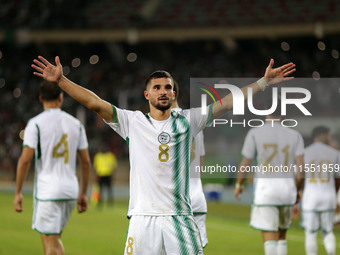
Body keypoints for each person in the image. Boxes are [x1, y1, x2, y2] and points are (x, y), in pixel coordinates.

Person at [31, 55, 295, 254]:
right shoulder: (132, 122)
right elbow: (94, 103)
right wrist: (62, 81)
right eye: (157, 87)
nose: (163, 91)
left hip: (178, 217)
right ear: (147, 94)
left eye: (168, 87)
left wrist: (263, 83)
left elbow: (226, 103)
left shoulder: (189, 120)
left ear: (174, 93)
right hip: (142, 218)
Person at [14, 81, 91, 255]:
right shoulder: (76, 124)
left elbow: (25, 159)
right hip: (70, 190)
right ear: (61, 97)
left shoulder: (35, 123)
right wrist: (84, 193)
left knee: (50, 246)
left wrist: (18, 191)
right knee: (55, 241)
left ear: (41, 98)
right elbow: (85, 162)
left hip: (48, 191)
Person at [234, 104, 304, 255]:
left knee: (269, 235)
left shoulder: (255, 132)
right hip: (287, 191)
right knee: (281, 235)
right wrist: (298, 189)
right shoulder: (295, 135)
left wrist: (239, 184)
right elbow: (301, 169)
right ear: (283, 114)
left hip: (266, 191)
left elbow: (245, 163)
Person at [171, 81, 208, 248]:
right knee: (195, 249)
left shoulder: (161, 124)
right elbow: (199, 163)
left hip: (174, 199)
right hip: (197, 195)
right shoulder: (195, 122)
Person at [301, 126, 340, 255]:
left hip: (310, 196)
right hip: (328, 196)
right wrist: (334, 193)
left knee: (310, 232)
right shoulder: (335, 154)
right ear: (321, 135)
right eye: (328, 135)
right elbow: (338, 178)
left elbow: (300, 175)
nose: (329, 138)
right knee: (327, 231)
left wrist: (298, 191)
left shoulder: (304, 152)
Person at [93, 143, 117, 208]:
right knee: (100, 190)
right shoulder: (98, 156)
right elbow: (95, 167)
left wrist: (113, 174)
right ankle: (99, 203)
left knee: (109, 190)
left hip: (108, 175)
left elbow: (114, 166)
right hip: (100, 175)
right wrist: (95, 175)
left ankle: (110, 203)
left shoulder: (110, 156)